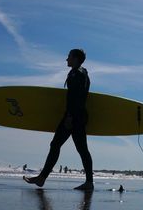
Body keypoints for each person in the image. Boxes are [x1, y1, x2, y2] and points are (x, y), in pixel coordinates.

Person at [24, 49, 94, 191]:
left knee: (58, 145)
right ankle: (88, 182)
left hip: (74, 116)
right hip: (78, 116)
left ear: (75, 59)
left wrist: (69, 117)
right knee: (80, 149)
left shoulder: (77, 74)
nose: (66, 59)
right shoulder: (82, 73)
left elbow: (76, 98)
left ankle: (43, 178)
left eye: (68, 57)